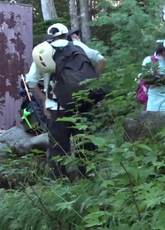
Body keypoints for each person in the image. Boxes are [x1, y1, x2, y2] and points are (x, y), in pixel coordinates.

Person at [27, 23, 107, 180]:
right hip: (83, 102)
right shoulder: (77, 45)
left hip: (57, 106)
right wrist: (93, 82)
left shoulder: (43, 52)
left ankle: (59, 181)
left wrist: (44, 101)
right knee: (86, 144)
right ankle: (88, 178)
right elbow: (102, 60)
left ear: (51, 36)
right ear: (66, 34)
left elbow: (30, 81)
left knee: (58, 147)